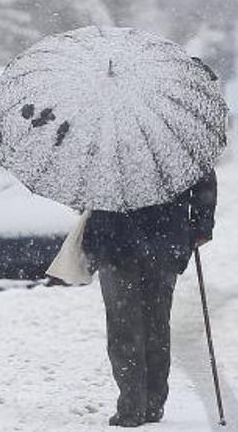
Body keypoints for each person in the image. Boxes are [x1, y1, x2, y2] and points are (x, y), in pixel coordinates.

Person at [83, 170, 217, 427]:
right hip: (161, 238)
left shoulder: (100, 136)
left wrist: (202, 225)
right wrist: (201, 225)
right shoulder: (171, 135)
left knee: (126, 326)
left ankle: (135, 405)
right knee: (154, 324)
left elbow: (84, 183)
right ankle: (148, 402)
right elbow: (203, 177)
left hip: (118, 239)